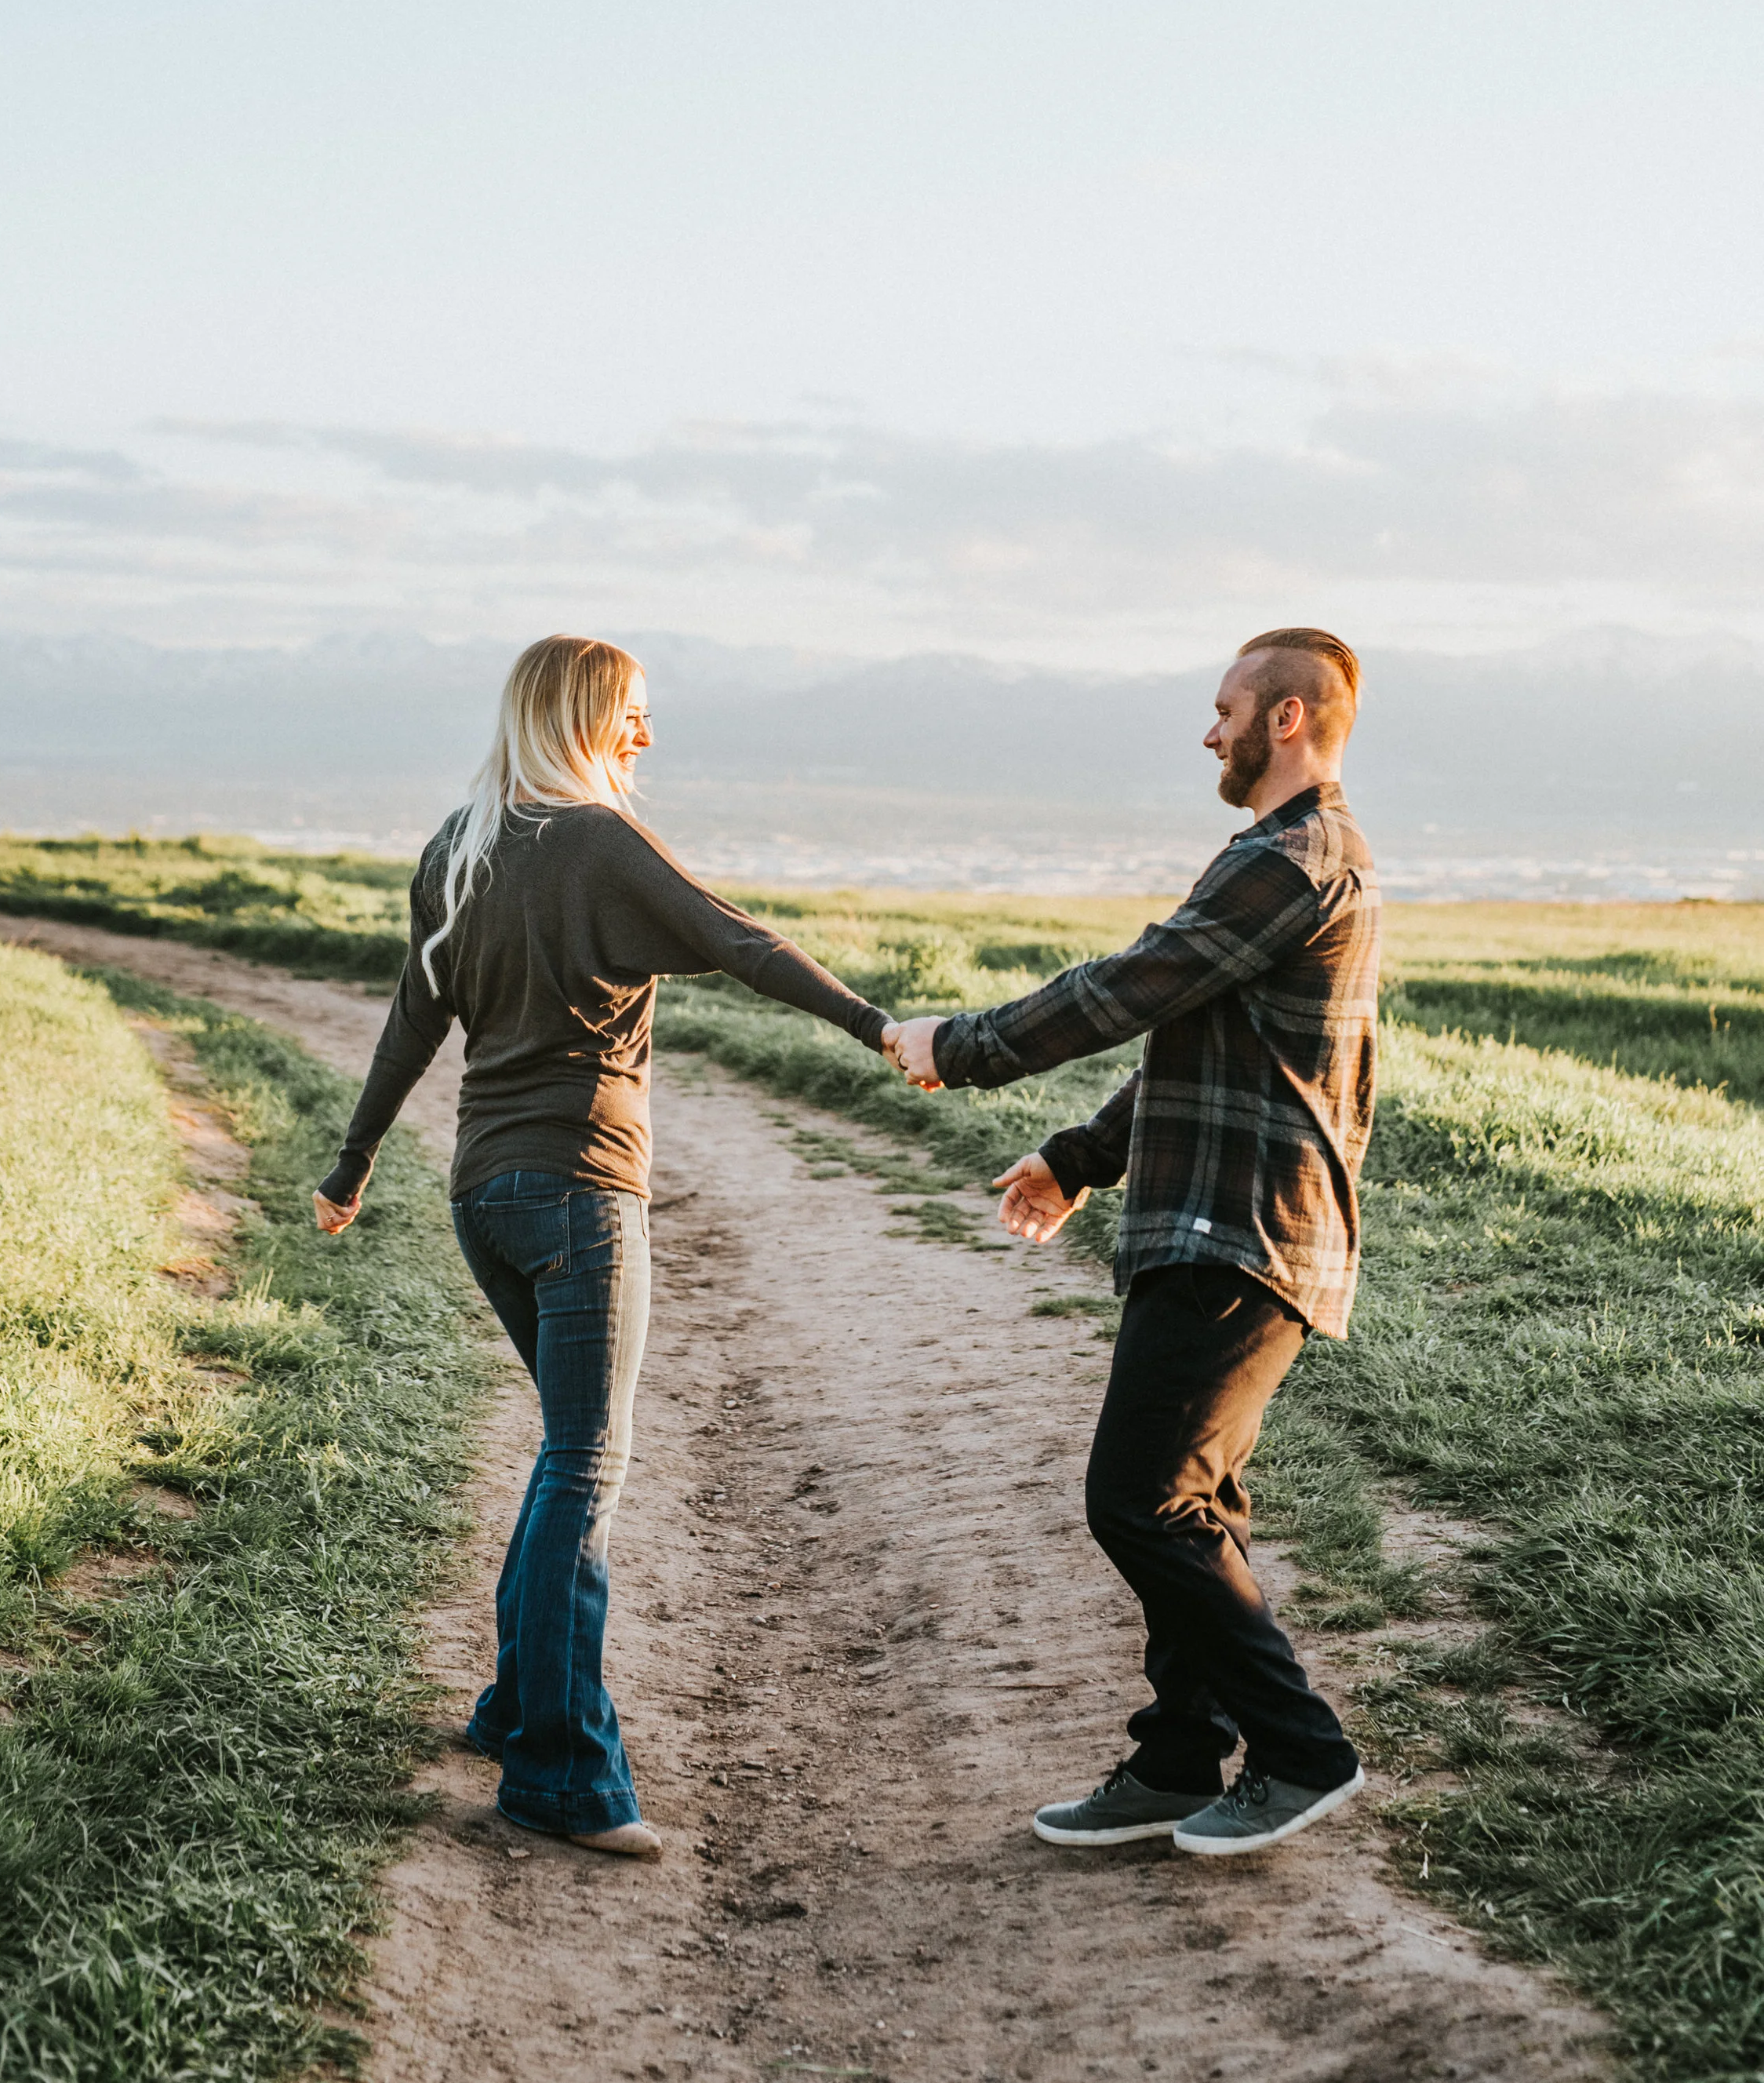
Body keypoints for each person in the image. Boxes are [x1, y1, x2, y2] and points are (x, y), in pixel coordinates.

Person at [311, 633, 897, 1861]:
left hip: (486, 1198)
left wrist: (354, 1163)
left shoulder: (458, 848)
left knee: (562, 1458)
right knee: (584, 1467)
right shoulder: (594, 841)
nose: (645, 735)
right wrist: (877, 1027)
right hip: (581, 1194)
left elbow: (410, 1025)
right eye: (632, 713)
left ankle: (521, 1708)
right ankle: (563, 1779)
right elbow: (737, 940)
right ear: (581, 715)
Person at [888, 628, 1379, 1859]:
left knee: (1142, 1503)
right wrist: (1079, 1154)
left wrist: (963, 1044)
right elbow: (1204, 1045)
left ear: (1286, 719)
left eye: (1225, 709)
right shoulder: (1271, 856)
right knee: (1192, 1500)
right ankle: (1175, 1762)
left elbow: (1132, 987)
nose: (1207, 731)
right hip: (1217, 1221)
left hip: (1247, 1231)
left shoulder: (1299, 857)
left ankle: (1305, 1751)